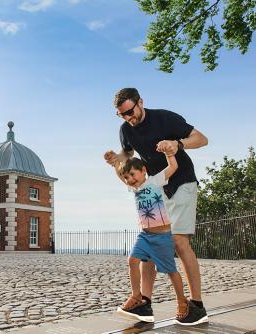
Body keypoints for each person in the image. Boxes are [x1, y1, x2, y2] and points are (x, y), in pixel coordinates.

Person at [105, 87, 209, 325]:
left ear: (140, 102)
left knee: (180, 241)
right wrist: (115, 160)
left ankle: (197, 305)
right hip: (155, 188)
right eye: (123, 115)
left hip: (181, 181)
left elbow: (202, 139)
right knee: (151, 242)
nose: (129, 118)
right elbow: (128, 158)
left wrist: (178, 145)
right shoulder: (125, 130)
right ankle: (144, 303)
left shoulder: (164, 118)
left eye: (131, 112)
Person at [105, 150, 189, 324]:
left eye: (132, 175)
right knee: (132, 260)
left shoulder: (154, 181)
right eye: (127, 177)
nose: (130, 180)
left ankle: (182, 301)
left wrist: (169, 152)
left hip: (163, 237)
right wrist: (115, 165)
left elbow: (173, 166)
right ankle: (137, 296)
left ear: (143, 170)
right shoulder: (133, 187)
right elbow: (121, 177)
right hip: (145, 235)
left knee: (171, 272)